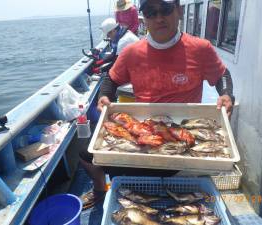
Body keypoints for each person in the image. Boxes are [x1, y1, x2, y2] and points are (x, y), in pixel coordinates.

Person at [80, 0, 235, 209]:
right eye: (151, 12)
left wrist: (226, 94)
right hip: (144, 129)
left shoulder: (200, 48)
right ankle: (100, 190)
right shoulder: (131, 52)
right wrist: (105, 95)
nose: (159, 18)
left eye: (166, 10)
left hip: (181, 130)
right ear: (144, 17)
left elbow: (221, 74)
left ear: (178, 11)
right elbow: (111, 79)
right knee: (86, 154)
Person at [79, 17, 139, 210]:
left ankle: (103, 190)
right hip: (129, 96)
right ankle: (106, 189)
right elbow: (114, 72)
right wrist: (105, 93)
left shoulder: (125, 42)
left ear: (113, 31)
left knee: (88, 154)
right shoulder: (125, 38)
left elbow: (116, 64)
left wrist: (101, 65)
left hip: (131, 94)